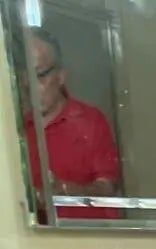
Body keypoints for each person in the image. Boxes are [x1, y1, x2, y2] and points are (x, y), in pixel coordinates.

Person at [24, 29, 122, 201]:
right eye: (24, 76)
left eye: (40, 75)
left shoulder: (90, 121)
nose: (30, 85)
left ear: (61, 76)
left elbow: (108, 186)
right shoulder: (13, 127)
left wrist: (70, 192)